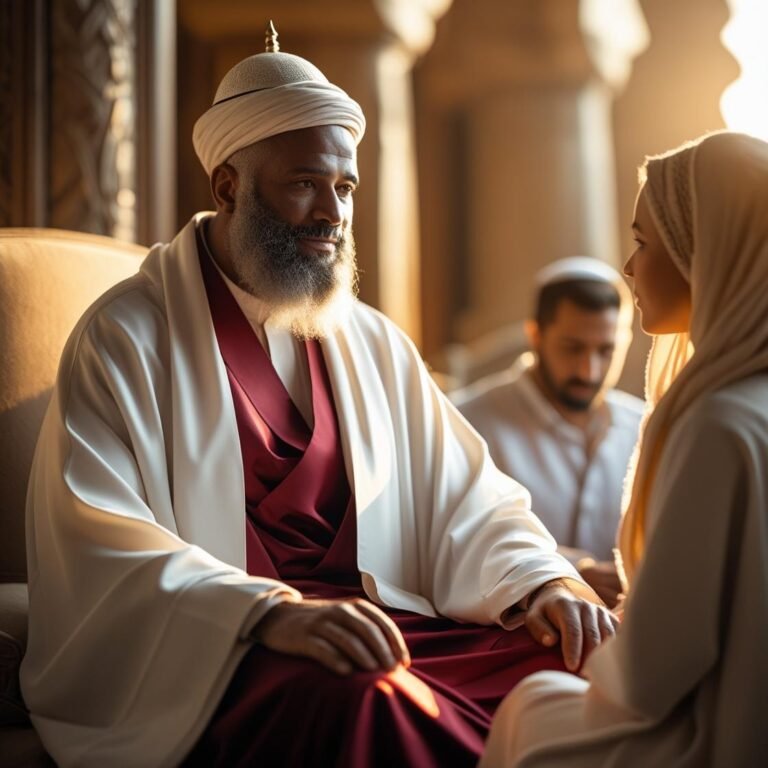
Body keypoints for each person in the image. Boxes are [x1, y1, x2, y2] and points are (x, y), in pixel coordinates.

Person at [20, 40, 617, 768]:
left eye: (345, 187)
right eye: (305, 183)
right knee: (371, 696)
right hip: (230, 648)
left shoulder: (371, 341)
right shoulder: (124, 337)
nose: (332, 212)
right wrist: (267, 613)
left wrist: (541, 579)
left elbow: (466, 497)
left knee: (577, 661)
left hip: (383, 623)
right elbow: (100, 532)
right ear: (228, 186)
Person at [479, 130, 768, 767]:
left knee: (530, 710)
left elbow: (655, 668)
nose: (630, 267)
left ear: (703, 252)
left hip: (713, 731)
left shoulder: (719, 423)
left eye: (643, 242)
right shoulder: (746, 408)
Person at [454, 258, 643, 606]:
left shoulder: (645, 425)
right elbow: (454, 540)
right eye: (572, 348)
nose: (589, 371)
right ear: (535, 336)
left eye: (606, 350)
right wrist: (566, 572)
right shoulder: (465, 421)